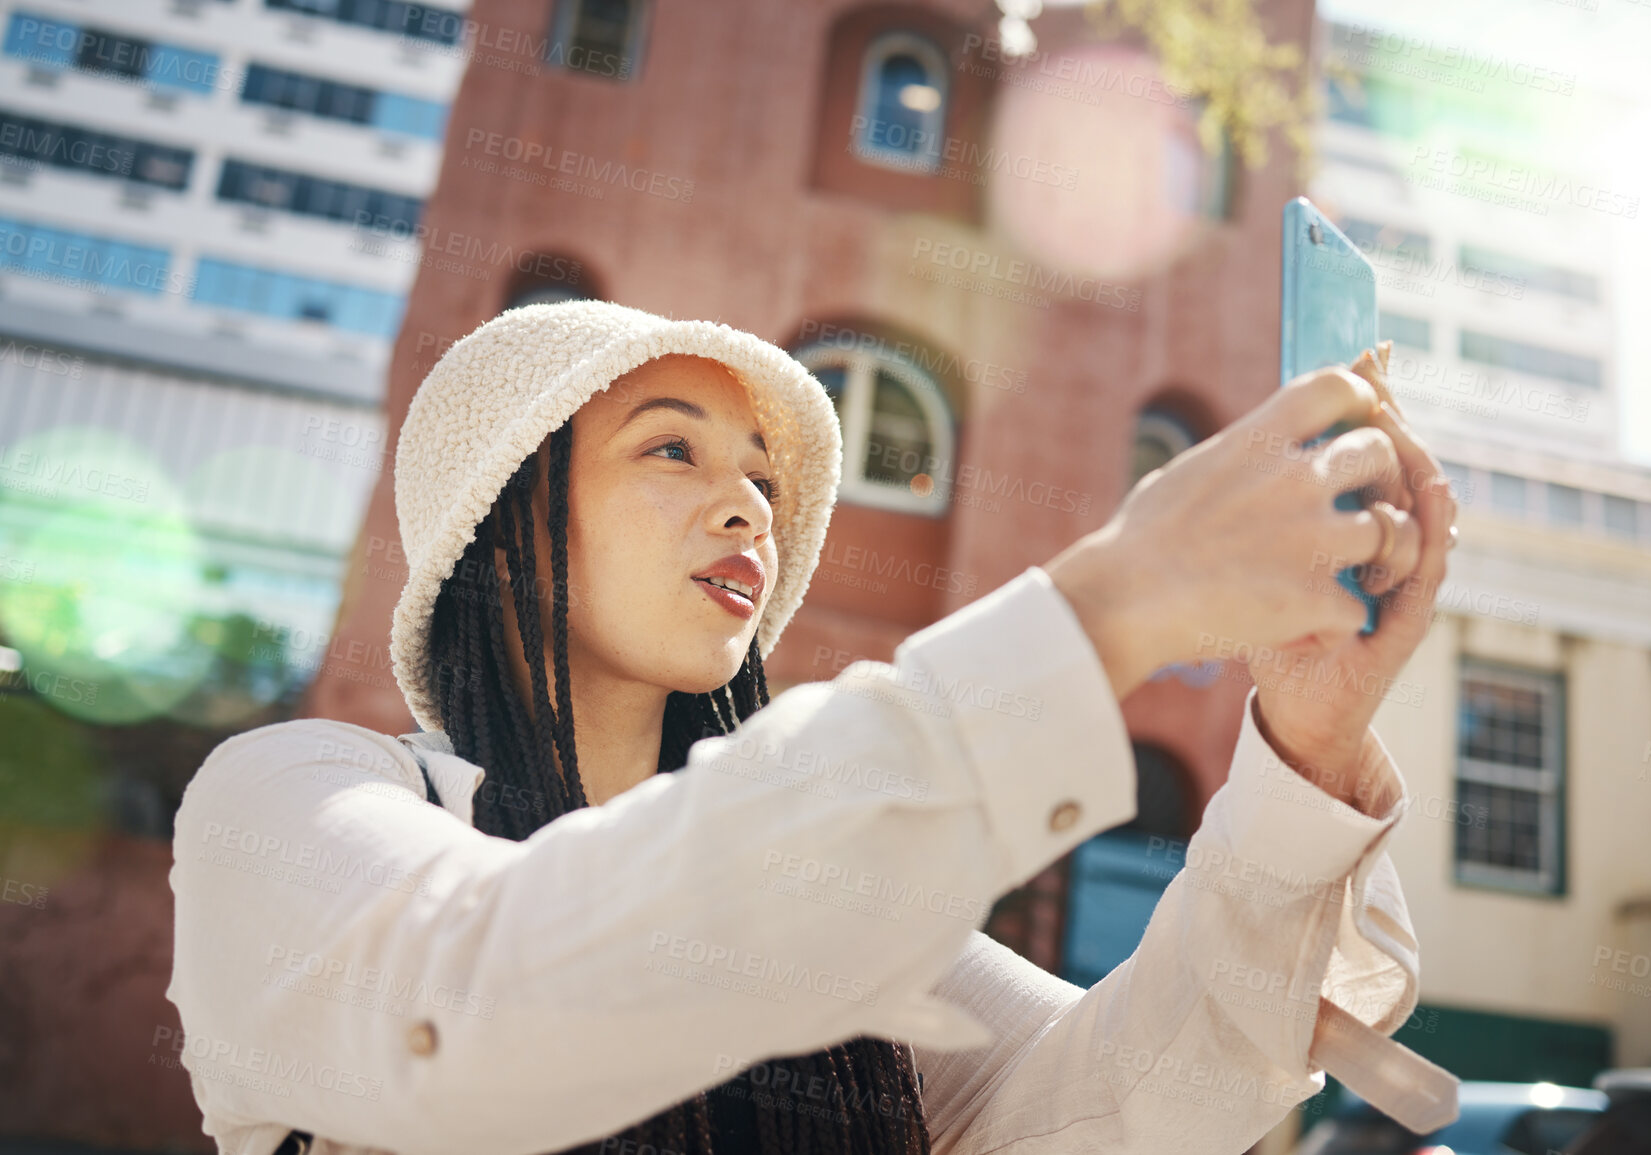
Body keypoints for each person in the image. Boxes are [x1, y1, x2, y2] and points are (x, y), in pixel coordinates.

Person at [165, 300, 1458, 1155]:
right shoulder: (288, 800)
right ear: (509, 519)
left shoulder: (847, 928)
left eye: (764, 476)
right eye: (671, 450)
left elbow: (1135, 1101)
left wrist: (1305, 747)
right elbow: (476, 1000)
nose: (748, 506)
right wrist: (1114, 600)